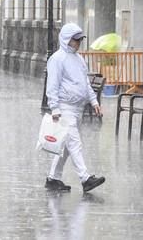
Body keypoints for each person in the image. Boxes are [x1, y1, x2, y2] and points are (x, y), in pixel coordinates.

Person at [45, 23, 105, 193]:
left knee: (66, 147)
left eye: (79, 39)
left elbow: (85, 82)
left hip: (77, 108)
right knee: (75, 143)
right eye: (75, 39)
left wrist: (94, 101)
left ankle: (53, 179)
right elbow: (52, 85)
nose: (78, 42)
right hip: (65, 108)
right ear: (66, 39)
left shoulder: (79, 59)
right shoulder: (57, 59)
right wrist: (55, 108)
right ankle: (85, 178)